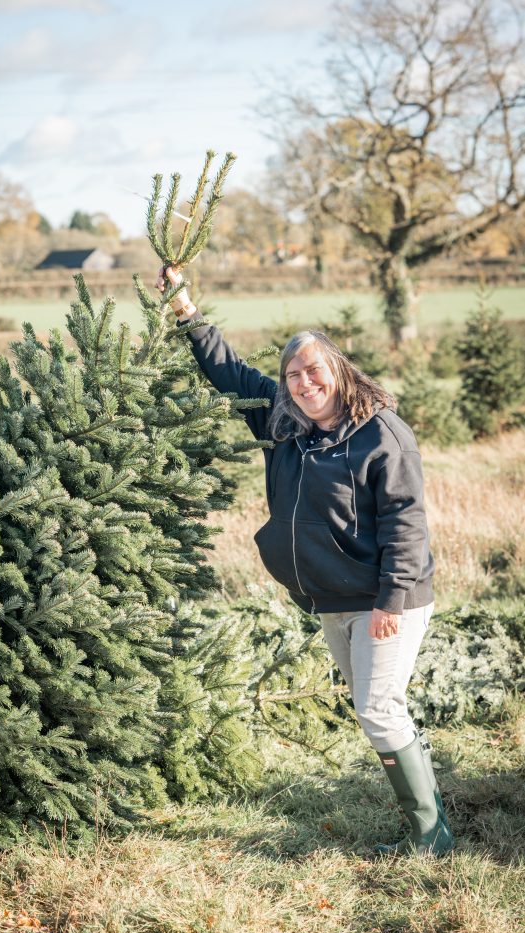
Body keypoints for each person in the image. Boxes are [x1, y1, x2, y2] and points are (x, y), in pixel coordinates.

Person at [156, 265, 454, 858]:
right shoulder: (284, 424)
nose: (302, 382)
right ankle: (427, 819)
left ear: (338, 371)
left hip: (384, 598)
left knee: (377, 708)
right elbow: (230, 373)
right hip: (330, 596)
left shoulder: (381, 435)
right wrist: (187, 312)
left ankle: (432, 835)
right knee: (376, 706)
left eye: (313, 370)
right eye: (293, 374)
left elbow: (405, 520)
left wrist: (390, 601)